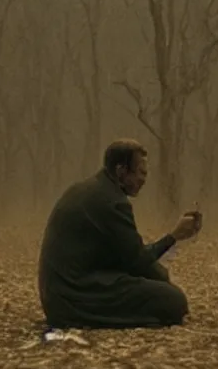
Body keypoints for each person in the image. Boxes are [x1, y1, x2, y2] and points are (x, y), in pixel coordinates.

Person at [37, 139, 201, 329]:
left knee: (162, 291)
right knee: (174, 300)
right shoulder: (111, 202)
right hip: (75, 297)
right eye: (140, 172)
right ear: (121, 171)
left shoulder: (91, 190)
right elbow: (138, 262)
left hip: (58, 296)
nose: (143, 179)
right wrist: (174, 237)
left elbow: (126, 258)